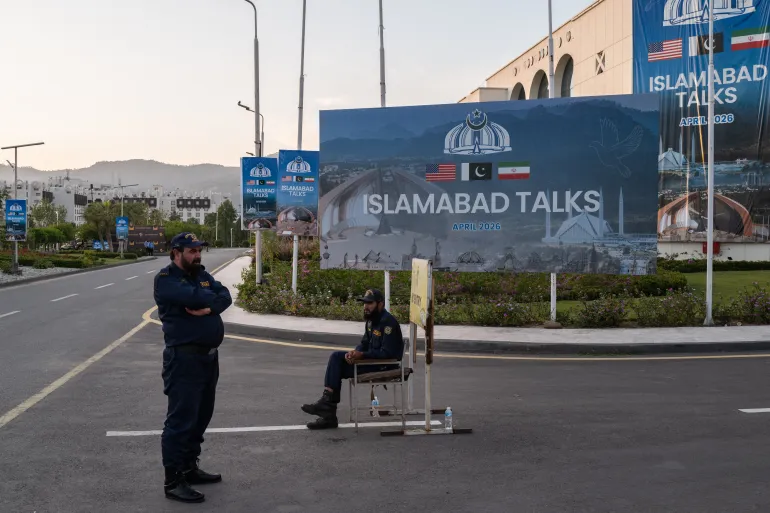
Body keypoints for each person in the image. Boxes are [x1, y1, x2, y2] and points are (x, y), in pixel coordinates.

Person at [153, 232, 233, 503]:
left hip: (208, 358)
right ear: (176, 252)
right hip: (184, 359)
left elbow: (225, 296)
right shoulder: (166, 280)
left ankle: (189, 466)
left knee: (201, 416)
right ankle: (173, 480)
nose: (197, 255)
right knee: (181, 419)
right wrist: (208, 299)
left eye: (199, 250)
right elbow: (201, 297)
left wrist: (209, 308)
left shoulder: (202, 275)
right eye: (191, 251)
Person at [301, 289, 404, 430]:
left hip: (384, 365)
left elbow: (387, 354)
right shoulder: (370, 321)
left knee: (336, 359)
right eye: (364, 303)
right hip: (371, 362)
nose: (366, 307)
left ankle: (327, 411)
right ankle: (328, 412)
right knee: (337, 359)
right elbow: (364, 343)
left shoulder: (388, 323)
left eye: (370, 303)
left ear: (380, 304)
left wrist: (362, 356)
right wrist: (354, 353)